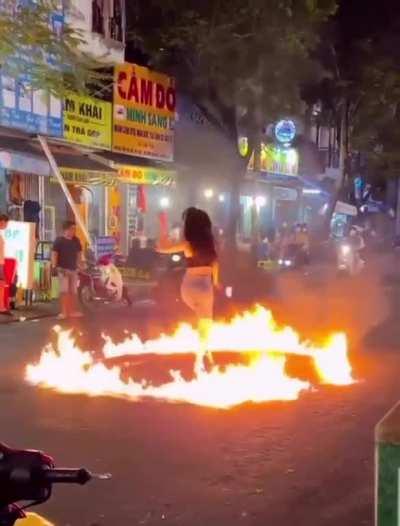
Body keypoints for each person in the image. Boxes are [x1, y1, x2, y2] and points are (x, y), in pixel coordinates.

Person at [157, 207, 220, 371]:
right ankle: (201, 359)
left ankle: (205, 354)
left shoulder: (188, 245)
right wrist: (216, 282)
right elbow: (215, 264)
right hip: (205, 286)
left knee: (198, 317)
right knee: (205, 323)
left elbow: (161, 248)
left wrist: (163, 225)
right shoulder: (210, 245)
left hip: (188, 288)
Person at [51, 220, 84, 320]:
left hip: (73, 270)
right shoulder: (59, 240)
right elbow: (54, 254)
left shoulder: (76, 240)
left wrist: (80, 265)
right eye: (72, 229)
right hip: (63, 270)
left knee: (73, 291)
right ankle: (64, 312)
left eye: (74, 229)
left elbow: (79, 254)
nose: (73, 231)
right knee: (64, 291)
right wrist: (54, 266)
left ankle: (72, 311)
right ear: (66, 230)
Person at [0, 214, 11, 316]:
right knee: (1, 284)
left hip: (1, 262)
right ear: (2, 221)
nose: (6, 225)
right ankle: (1, 307)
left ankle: (2, 307)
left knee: (2, 284)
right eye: (6, 223)